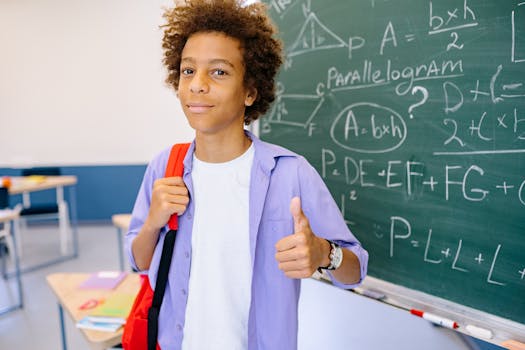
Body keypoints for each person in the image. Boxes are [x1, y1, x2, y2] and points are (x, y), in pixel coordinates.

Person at [125, 1, 368, 349]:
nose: (197, 85)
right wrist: (152, 223)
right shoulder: (165, 167)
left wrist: (323, 254)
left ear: (250, 91)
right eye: (188, 71)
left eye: (219, 72)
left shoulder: (290, 174)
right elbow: (139, 261)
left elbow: (355, 270)